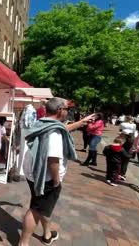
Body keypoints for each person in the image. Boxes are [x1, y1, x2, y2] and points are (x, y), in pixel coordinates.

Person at [20, 97, 93, 246]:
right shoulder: (54, 134)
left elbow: (59, 128)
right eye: (67, 109)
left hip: (32, 172)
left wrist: (81, 122)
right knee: (36, 209)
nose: (68, 112)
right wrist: (56, 180)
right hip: (45, 177)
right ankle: (23, 243)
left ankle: (47, 234)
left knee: (42, 205)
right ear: (60, 111)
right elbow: (53, 160)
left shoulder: (42, 123)